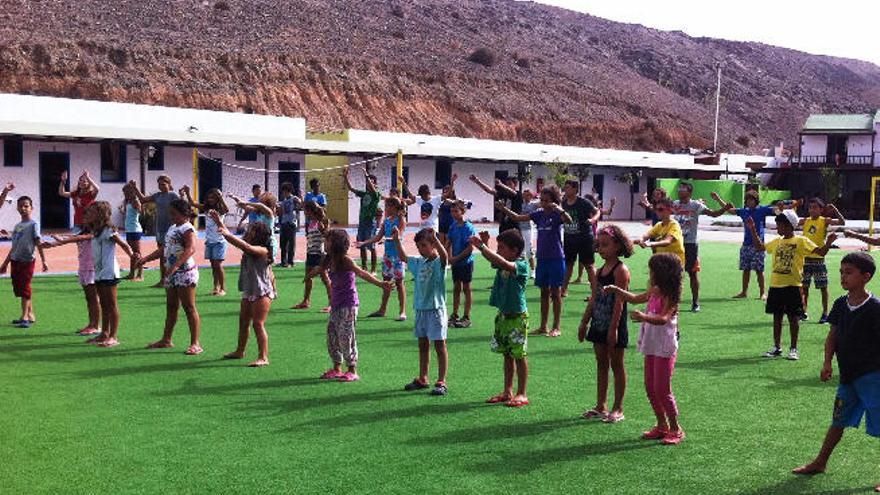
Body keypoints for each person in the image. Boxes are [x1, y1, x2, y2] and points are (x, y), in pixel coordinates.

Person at [792, 253, 880, 491]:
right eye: (841, 271)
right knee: (838, 421)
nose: (843, 276)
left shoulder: (875, 308)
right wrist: (827, 363)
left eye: (848, 272)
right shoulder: (841, 303)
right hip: (848, 377)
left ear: (866, 277)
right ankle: (820, 462)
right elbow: (833, 335)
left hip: (872, 378)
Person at [603, 253, 685, 445]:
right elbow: (633, 298)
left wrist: (644, 317)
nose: (650, 274)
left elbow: (664, 318)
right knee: (650, 387)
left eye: (652, 270)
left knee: (662, 389)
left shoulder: (670, 296)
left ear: (662, 273)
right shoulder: (654, 290)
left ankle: (675, 428)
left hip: (664, 348)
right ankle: (661, 425)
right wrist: (616, 289)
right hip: (651, 345)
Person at [747, 210, 836, 360]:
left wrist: (828, 243)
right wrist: (752, 229)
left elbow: (820, 252)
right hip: (775, 285)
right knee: (777, 317)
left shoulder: (801, 241)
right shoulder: (777, 241)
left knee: (793, 318)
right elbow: (759, 247)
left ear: (789, 226)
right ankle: (777, 347)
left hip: (793, 285)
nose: (777, 228)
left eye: (779, 225)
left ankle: (793, 349)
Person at [315, 229, 391, 382]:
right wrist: (310, 274)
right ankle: (337, 368)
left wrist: (380, 284)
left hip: (349, 305)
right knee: (332, 334)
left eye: (328, 241)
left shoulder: (345, 260)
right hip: (336, 305)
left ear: (336, 243)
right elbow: (320, 269)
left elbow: (362, 273)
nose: (325, 243)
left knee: (346, 335)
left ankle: (352, 369)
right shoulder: (329, 259)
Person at [497, 185, 572, 338]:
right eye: (542, 200)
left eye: (547, 200)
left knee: (555, 293)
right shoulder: (538, 214)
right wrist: (503, 209)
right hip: (542, 259)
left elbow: (569, 220)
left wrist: (558, 208)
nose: (543, 203)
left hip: (556, 258)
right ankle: (543, 326)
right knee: (544, 293)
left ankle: (556, 326)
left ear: (554, 201)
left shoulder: (557, 215)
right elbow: (518, 218)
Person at [579, 224, 633, 424]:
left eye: (605, 245)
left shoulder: (621, 270)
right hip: (598, 323)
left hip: (614, 325)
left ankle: (618, 407)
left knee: (616, 364)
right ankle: (601, 405)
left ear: (618, 246)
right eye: (599, 245)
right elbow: (594, 298)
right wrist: (584, 323)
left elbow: (619, 302)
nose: (601, 249)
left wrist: (614, 329)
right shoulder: (599, 271)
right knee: (601, 363)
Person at [470, 228, 530, 407]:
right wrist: (486, 246)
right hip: (503, 316)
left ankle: (522, 393)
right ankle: (507, 391)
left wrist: (482, 247)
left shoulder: (521, 265)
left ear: (514, 251)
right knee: (507, 355)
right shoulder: (504, 260)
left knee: (519, 356)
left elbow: (501, 263)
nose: (499, 251)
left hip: (517, 318)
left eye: (502, 247)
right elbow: (495, 260)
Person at [137, 199, 203, 356]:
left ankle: (195, 343)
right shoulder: (173, 228)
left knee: (189, 307)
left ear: (184, 213)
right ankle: (166, 339)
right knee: (171, 307)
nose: (171, 216)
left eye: (174, 213)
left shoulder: (188, 228)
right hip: (172, 274)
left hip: (184, 273)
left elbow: (191, 249)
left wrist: (175, 266)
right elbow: (164, 249)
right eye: (171, 213)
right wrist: (146, 258)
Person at [211, 210, 276, 367]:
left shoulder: (262, 250)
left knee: (258, 324)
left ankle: (263, 357)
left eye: (250, 231)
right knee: (243, 322)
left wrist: (226, 234)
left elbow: (244, 246)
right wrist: (219, 223)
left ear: (258, 236)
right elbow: (241, 243)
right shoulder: (250, 247)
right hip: (250, 291)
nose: (246, 232)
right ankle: (240, 351)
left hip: (262, 293)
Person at [396, 227, 450, 396]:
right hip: (420, 310)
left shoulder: (438, 263)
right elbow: (404, 257)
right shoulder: (419, 262)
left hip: (435, 310)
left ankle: (441, 381)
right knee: (423, 345)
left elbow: (445, 257)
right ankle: (423, 378)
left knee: (440, 346)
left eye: (424, 245)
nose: (421, 249)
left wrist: (437, 240)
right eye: (419, 246)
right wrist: (397, 240)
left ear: (433, 245)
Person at [84, 201, 134, 347]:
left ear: (100, 214)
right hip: (99, 273)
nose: (89, 214)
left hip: (109, 272)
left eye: (92, 212)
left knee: (111, 305)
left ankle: (113, 336)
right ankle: (104, 333)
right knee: (104, 304)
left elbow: (123, 244)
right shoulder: (96, 231)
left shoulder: (108, 230)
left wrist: (132, 256)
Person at [672, 183, 728, 312]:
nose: (680, 192)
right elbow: (661, 209)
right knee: (674, 274)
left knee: (692, 273)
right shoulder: (675, 204)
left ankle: (695, 302)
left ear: (689, 193)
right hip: (676, 243)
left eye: (682, 190)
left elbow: (713, 214)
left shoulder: (696, 205)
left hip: (691, 244)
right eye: (679, 190)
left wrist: (724, 208)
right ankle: (674, 301)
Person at [42, 224, 101, 336]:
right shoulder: (81, 233)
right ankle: (91, 324)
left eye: (89, 215)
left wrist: (61, 239)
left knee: (94, 298)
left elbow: (76, 238)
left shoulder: (95, 233)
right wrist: (52, 244)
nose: (86, 219)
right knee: (89, 299)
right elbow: (72, 238)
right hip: (84, 268)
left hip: (91, 269)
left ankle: (96, 325)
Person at [717, 190, 775, 300]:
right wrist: (718, 199)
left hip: (758, 245)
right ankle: (744, 292)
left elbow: (776, 210)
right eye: (747, 199)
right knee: (746, 269)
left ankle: (763, 293)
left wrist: (789, 205)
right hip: (746, 245)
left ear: (756, 200)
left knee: (759, 270)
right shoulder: (744, 211)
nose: (749, 202)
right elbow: (729, 210)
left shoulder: (762, 210)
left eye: (751, 199)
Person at [0, 196, 48, 328]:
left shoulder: (34, 224)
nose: (23, 208)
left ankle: (24, 316)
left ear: (32, 208)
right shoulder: (17, 226)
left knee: (25, 288)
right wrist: (5, 263)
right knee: (20, 289)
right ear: (17, 208)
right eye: (20, 206)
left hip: (27, 261)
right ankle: (31, 314)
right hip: (15, 261)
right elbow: (14, 247)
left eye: (26, 206)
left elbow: (38, 243)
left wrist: (44, 260)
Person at [358, 197, 408, 321]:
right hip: (387, 256)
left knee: (399, 282)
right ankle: (382, 309)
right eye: (386, 206)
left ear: (396, 207)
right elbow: (378, 237)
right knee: (386, 282)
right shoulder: (386, 221)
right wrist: (364, 242)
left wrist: (390, 237)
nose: (386, 209)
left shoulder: (401, 220)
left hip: (398, 255)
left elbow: (399, 236)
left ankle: (402, 312)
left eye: (389, 206)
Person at [798, 198, 845, 323]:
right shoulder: (805, 221)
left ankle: (825, 313)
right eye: (810, 207)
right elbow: (791, 222)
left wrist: (834, 209)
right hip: (805, 258)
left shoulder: (824, 221)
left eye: (815, 207)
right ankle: (803, 311)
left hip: (819, 259)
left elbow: (842, 222)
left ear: (821, 209)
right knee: (804, 287)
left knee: (823, 287)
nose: (812, 210)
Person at [128, 176, 180, 288]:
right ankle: (163, 280)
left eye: (163, 184)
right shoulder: (157, 196)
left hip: (171, 229)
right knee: (162, 256)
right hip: (160, 229)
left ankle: (173, 279)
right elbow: (143, 200)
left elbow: (182, 208)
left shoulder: (173, 195)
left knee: (173, 255)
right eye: (159, 184)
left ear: (169, 184)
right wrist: (135, 188)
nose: (161, 186)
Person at [181, 186, 229, 296]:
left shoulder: (220, 210)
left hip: (219, 241)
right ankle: (215, 287)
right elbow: (193, 203)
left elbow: (226, 209)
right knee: (213, 265)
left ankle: (222, 288)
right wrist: (188, 193)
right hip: (210, 241)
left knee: (218, 264)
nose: (210, 200)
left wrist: (221, 197)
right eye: (209, 198)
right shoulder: (206, 209)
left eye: (213, 198)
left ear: (217, 199)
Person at [561, 179, 600, 298]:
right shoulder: (564, 202)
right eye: (565, 187)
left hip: (584, 239)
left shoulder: (583, 202)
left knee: (589, 265)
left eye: (568, 187)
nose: (565, 189)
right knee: (568, 265)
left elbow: (597, 211)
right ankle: (563, 290)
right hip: (569, 238)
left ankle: (595, 293)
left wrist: (593, 220)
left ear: (575, 189)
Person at [293, 201, 332, 312]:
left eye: (305, 209)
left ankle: (332, 303)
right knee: (308, 277)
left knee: (325, 278)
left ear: (310, 210)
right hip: (310, 252)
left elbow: (327, 235)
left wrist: (322, 229)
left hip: (319, 253)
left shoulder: (323, 220)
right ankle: (306, 301)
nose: (303, 212)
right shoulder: (311, 222)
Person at [344, 166, 382, 273]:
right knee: (361, 244)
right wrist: (346, 177)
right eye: (368, 182)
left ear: (375, 184)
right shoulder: (364, 194)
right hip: (362, 222)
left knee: (371, 246)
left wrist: (366, 175)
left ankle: (373, 269)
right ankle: (364, 267)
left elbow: (372, 188)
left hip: (371, 223)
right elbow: (351, 189)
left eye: (371, 182)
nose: (369, 184)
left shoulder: (376, 195)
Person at [446, 200, 476, 328]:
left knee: (466, 288)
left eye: (456, 211)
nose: (453, 214)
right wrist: (448, 256)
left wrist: (456, 258)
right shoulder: (452, 226)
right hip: (455, 262)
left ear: (462, 211)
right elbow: (448, 242)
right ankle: (455, 314)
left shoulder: (468, 227)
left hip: (466, 262)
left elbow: (470, 248)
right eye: (452, 211)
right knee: (456, 287)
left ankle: (467, 316)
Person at [637, 197, 685, 268]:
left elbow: (667, 241)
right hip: (663, 261)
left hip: (675, 263)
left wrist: (649, 244)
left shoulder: (674, 225)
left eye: (660, 209)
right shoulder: (658, 225)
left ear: (669, 210)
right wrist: (641, 239)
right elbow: (646, 235)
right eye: (656, 209)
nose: (657, 212)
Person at [121, 183, 144, 281]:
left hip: (135, 230)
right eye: (124, 192)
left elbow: (141, 212)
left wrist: (138, 207)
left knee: (137, 253)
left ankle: (140, 275)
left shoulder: (135, 201)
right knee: (132, 253)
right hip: (129, 230)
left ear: (131, 192)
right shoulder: (127, 201)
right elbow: (128, 215)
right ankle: (131, 274)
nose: (125, 194)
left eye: (126, 192)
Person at [277, 182, 302, 268]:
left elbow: (301, 204)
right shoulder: (283, 201)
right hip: (284, 223)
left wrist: (300, 200)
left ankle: (291, 262)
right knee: (283, 244)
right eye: (283, 191)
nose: (283, 193)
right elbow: (280, 212)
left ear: (289, 191)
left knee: (291, 244)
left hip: (291, 224)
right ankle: (283, 262)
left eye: (285, 191)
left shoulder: (294, 198)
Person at [520, 188, 538, 277]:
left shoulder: (534, 204)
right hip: (519, 229)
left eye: (527, 194)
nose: (525, 196)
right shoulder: (520, 204)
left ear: (531, 196)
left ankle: (533, 270)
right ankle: (523, 270)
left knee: (529, 251)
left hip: (528, 229)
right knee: (521, 251)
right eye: (524, 194)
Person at [437, 175, 459, 246]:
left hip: (450, 223)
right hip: (441, 223)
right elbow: (439, 212)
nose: (445, 193)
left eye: (447, 191)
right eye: (444, 191)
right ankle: (443, 255)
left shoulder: (453, 201)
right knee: (441, 242)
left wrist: (452, 181)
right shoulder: (441, 201)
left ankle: (449, 255)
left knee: (448, 242)